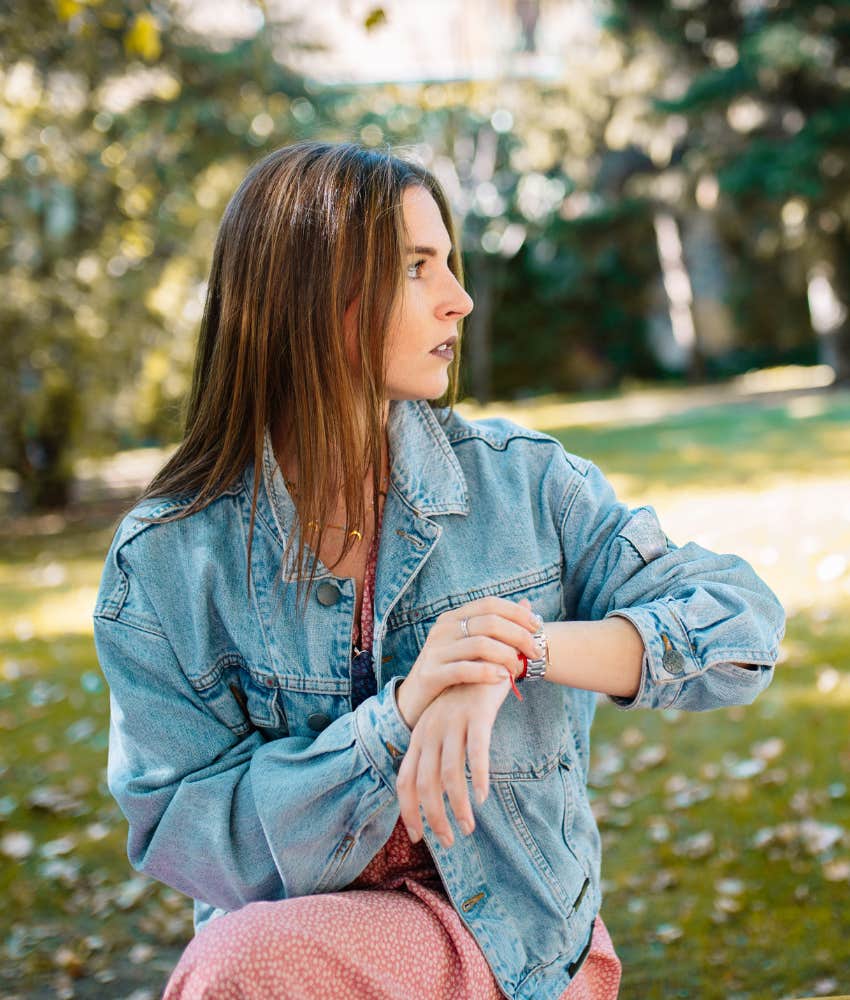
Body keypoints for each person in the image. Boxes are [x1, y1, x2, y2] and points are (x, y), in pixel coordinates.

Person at [92, 140, 786, 1000]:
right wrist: (399, 719)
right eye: (418, 268)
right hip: (303, 954)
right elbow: (190, 837)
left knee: (238, 972)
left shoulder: (524, 483)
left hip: (516, 952)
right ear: (311, 294)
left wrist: (509, 647)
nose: (457, 301)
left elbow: (739, 625)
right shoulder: (163, 565)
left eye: (447, 264)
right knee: (248, 964)